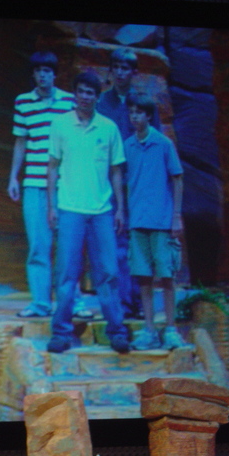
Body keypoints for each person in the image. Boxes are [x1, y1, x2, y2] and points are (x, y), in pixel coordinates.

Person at [46, 71, 129, 354]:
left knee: (108, 273)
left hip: (102, 211)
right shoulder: (60, 124)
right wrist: (51, 206)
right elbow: (52, 167)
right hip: (70, 209)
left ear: (97, 96)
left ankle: (116, 331)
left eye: (90, 93)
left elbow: (116, 171)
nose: (85, 97)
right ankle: (61, 333)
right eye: (80, 91)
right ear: (75, 94)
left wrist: (120, 209)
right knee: (66, 274)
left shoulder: (108, 128)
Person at [8, 51, 92, 319]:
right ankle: (41, 303)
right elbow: (21, 141)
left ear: (54, 74)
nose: (42, 75)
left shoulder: (68, 101)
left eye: (47, 71)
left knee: (69, 246)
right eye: (38, 71)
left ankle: (74, 302)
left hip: (65, 184)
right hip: (34, 183)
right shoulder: (23, 102)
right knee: (38, 245)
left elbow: (78, 140)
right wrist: (13, 177)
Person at [96, 48, 162, 320]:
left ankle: (140, 300)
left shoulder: (144, 103)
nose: (120, 73)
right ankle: (123, 302)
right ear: (111, 70)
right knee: (117, 243)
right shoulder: (102, 103)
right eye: (116, 67)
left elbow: (156, 143)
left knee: (141, 242)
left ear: (134, 72)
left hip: (140, 183)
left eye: (126, 68)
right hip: (111, 182)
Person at [122, 94, 185, 350]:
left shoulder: (163, 144)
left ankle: (170, 329)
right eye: (131, 112)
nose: (134, 116)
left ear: (149, 116)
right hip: (138, 221)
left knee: (167, 277)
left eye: (139, 112)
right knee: (143, 278)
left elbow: (177, 178)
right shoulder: (127, 145)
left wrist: (176, 216)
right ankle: (149, 330)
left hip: (161, 220)